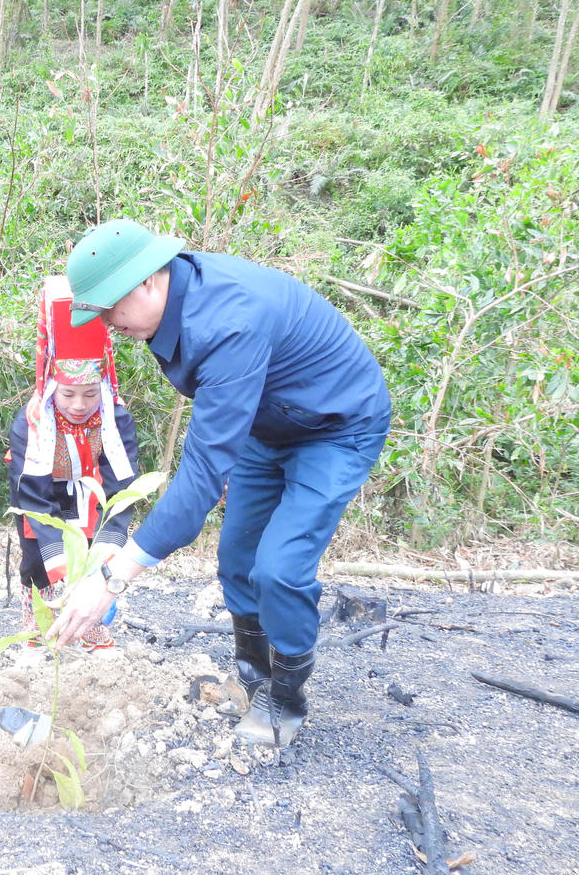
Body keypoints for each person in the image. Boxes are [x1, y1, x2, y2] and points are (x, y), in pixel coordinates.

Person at [50, 219, 390, 747]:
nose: (109, 323)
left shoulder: (229, 319)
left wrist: (112, 578)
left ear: (148, 281)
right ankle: (255, 678)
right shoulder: (175, 301)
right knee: (236, 559)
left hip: (335, 427)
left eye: (112, 308)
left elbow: (202, 476)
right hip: (267, 424)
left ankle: (286, 700)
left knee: (279, 568)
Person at [6, 276, 139, 650]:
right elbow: (31, 495)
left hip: (89, 489)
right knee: (36, 557)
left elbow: (122, 487)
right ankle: (41, 614)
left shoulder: (116, 418)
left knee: (91, 546)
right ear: (52, 386)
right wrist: (61, 567)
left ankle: (87, 617)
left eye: (89, 393)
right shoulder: (31, 422)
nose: (79, 405)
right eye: (68, 393)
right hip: (40, 491)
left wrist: (109, 553)